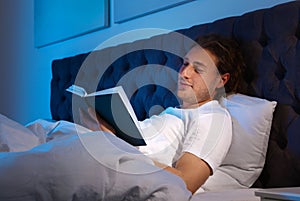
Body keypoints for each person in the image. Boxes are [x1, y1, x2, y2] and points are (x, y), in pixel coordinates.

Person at [81, 34, 245, 194]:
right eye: (185, 64)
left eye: (198, 69)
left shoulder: (213, 118)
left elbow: (185, 182)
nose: (184, 73)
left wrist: (118, 148)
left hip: (115, 167)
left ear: (221, 81)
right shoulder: (172, 113)